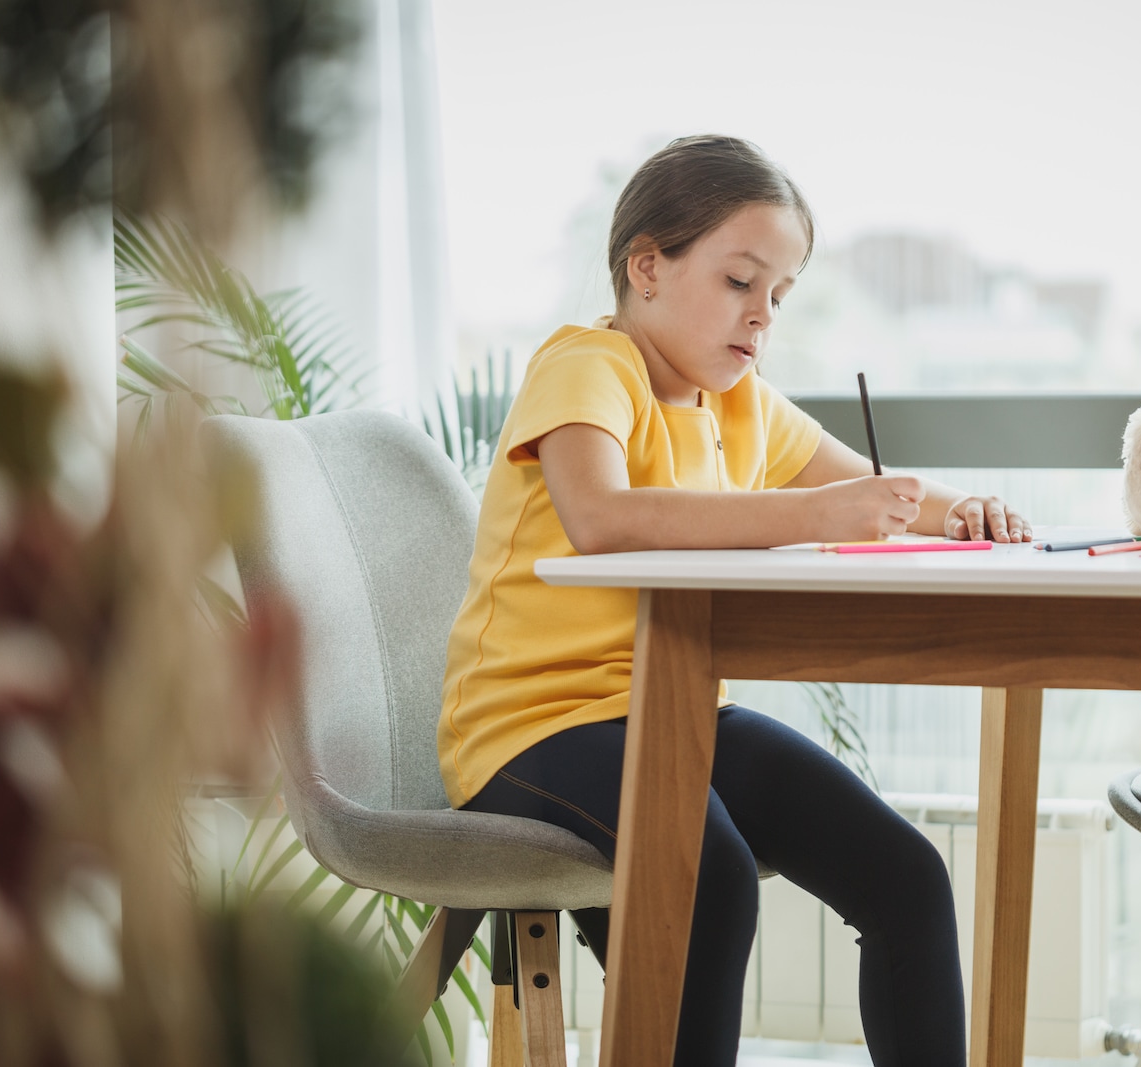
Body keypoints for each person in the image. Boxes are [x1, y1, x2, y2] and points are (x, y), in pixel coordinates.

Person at [438, 134, 1032, 1066]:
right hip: (532, 727)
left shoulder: (743, 401)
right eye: (739, 281)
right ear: (647, 269)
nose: (762, 317)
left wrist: (968, 512)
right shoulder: (587, 364)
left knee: (906, 876)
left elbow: (877, 491)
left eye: (780, 295)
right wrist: (813, 511)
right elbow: (599, 516)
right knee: (708, 877)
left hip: (671, 708)